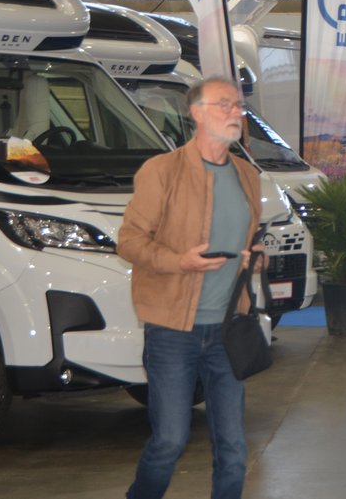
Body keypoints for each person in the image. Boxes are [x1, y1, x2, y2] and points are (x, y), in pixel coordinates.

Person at [118, 75, 264, 499]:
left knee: (234, 448)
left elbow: (245, 241)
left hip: (227, 329)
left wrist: (254, 257)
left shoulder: (246, 175)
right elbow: (129, 241)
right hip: (172, 332)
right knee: (169, 442)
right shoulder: (161, 171)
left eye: (237, 105)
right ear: (196, 112)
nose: (235, 112)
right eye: (224, 104)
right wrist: (179, 261)